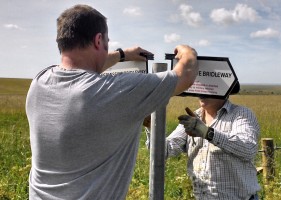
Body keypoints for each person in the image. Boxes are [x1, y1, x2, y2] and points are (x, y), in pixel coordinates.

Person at [25, 4, 199, 200]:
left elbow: (84, 65)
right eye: (106, 41)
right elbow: (185, 75)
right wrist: (187, 51)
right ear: (98, 40)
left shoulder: (39, 82)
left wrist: (122, 55)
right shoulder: (116, 91)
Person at [145, 82, 261, 200]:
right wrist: (151, 127)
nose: (201, 92)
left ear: (224, 89)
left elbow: (248, 149)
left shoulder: (241, 114)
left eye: (207, 87)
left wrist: (207, 132)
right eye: (199, 86)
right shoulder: (194, 118)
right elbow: (166, 151)